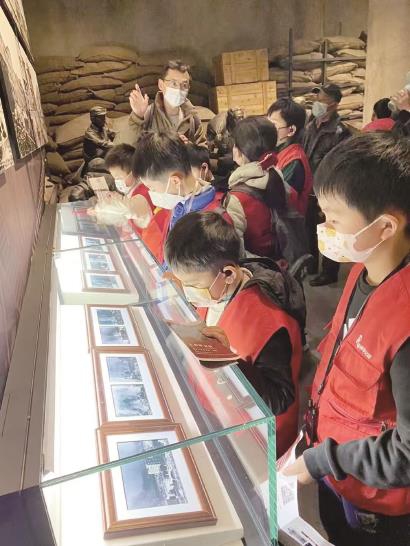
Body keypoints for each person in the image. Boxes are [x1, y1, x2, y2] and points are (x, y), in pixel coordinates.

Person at [283, 133, 410, 546]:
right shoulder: (363, 270)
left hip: (377, 505)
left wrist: (325, 459)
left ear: (386, 226)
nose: (325, 228)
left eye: (335, 218)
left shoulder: (406, 322)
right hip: (337, 471)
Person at [165, 210, 305, 457]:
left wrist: (229, 362)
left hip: (257, 439)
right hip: (221, 410)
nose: (188, 293)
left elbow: (280, 399)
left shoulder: (268, 321)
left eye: (194, 285)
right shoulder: (216, 293)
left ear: (229, 274)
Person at [132, 132, 228, 263]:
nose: (151, 192)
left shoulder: (214, 223)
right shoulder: (178, 203)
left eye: (152, 188)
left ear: (175, 181)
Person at [226, 116, 307, 263]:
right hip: (286, 260)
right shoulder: (277, 177)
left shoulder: (237, 199)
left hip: (261, 270)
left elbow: (237, 253)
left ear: (238, 151)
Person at [303, 84, 351, 286]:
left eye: (322, 100)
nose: (317, 103)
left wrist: (329, 194)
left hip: (326, 190)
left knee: (330, 230)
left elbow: (339, 166)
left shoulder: (340, 132)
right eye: (317, 99)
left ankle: (329, 272)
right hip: (309, 187)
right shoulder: (311, 124)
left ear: (334, 104)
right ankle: (312, 264)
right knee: (309, 228)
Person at [128, 59, 206, 146]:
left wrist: (188, 146)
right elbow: (134, 146)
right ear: (161, 85)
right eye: (174, 84)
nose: (179, 89)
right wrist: (138, 116)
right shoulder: (149, 114)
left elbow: (202, 148)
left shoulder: (192, 116)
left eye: (184, 85)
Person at [267, 98, 313, 216]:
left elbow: (278, 198)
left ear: (291, 130)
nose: (267, 129)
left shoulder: (294, 161)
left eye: (273, 125)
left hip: (288, 222)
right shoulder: (278, 150)